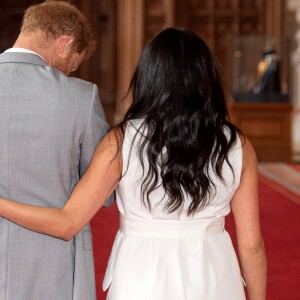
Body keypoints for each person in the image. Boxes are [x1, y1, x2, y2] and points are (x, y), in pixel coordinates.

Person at [0, 27, 267, 300]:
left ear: (149, 77)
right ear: (207, 79)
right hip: (215, 274)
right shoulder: (238, 145)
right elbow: (252, 246)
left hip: (141, 276)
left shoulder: (123, 140)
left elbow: (67, 223)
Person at [0, 1, 113, 299]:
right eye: (72, 64)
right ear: (65, 43)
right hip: (54, 261)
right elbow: (104, 193)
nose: (69, 72)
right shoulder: (81, 97)